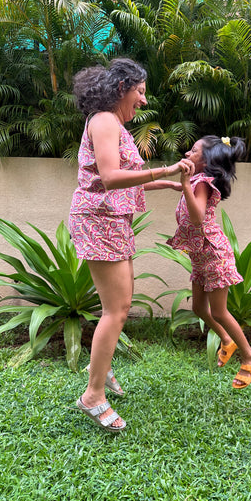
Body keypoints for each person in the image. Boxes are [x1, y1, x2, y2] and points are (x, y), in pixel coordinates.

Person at [69, 58, 194, 432]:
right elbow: (109, 177)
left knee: (119, 306)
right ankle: (92, 395)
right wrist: (166, 171)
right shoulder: (105, 120)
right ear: (122, 86)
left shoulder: (113, 124)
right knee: (116, 310)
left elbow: (128, 178)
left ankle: (100, 371)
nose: (143, 100)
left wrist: (167, 184)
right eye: (140, 91)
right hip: (99, 220)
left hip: (112, 221)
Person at [166, 135, 251, 389]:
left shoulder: (202, 183)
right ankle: (226, 340)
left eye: (194, 150)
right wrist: (133, 184)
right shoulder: (195, 181)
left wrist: (185, 183)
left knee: (219, 310)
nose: (188, 152)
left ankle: (250, 356)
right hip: (201, 255)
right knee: (199, 308)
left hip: (214, 254)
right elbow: (167, 184)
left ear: (207, 160)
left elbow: (197, 219)